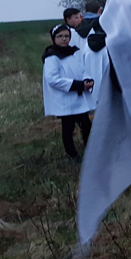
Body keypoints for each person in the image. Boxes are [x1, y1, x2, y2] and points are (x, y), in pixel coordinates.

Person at [42, 23, 94, 160]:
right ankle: (72, 154)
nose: (64, 39)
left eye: (66, 36)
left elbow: (81, 70)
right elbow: (52, 79)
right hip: (65, 99)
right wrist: (77, 85)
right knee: (68, 127)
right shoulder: (52, 57)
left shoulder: (72, 52)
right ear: (54, 38)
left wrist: (87, 80)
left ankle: (90, 151)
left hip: (78, 97)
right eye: (60, 36)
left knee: (86, 124)